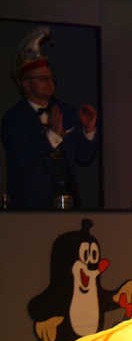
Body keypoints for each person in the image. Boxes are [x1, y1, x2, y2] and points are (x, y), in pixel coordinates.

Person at [2, 27, 99, 210]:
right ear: (26, 85)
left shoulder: (65, 110)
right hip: (31, 210)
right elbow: (25, 161)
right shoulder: (14, 119)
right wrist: (53, 134)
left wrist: (89, 130)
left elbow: (84, 157)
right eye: (42, 78)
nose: (49, 83)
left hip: (68, 207)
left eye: (50, 77)